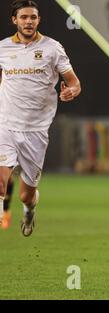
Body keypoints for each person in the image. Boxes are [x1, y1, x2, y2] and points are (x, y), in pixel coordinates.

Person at [0, 0, 81, 237]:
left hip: (36, 130)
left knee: (27, 194)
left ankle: (29, 210)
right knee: (1, 182)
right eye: (23, 17)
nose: (28, 22)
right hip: (5, 124)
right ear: (14, 20)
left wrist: (70, 92)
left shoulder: (52, 48)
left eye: (33, 17)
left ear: (38, 20)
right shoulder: (3, 48)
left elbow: (75, 83)